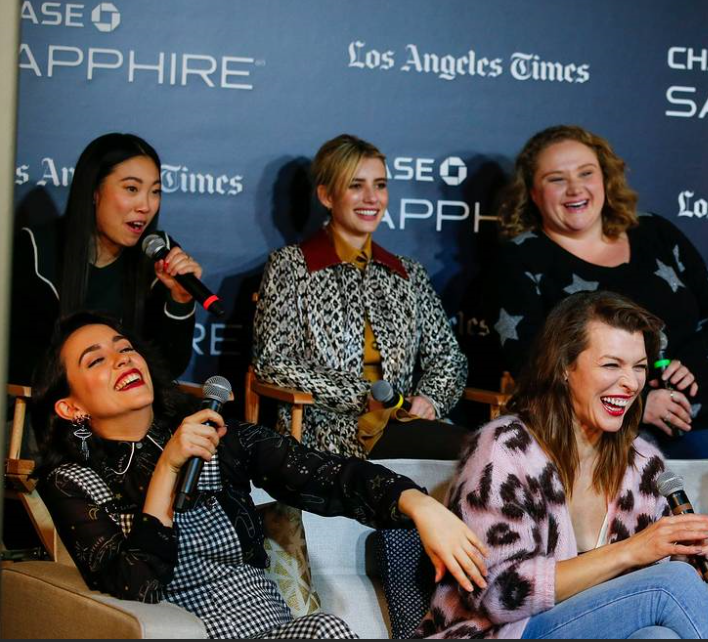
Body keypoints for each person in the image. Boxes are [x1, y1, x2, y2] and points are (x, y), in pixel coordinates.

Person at [33, 312, 489, 639]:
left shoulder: (219, 437)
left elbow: (327, 475)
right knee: (325, 630)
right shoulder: (71, 481)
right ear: (70, 407)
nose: (122, 360)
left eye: (125, 348)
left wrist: (420, 505)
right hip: (189, 632)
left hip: (276, 630)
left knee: (323, 629)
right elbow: (136, 588)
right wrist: (168, 468)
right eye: (96, 360)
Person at [417, 291, 708, 639]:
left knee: (658, 637)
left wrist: (685, 558)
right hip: (502, 633)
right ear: (565, 366)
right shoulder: (505, 450)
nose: (631, 383)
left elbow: (637, 591)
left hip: (595, 629)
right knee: (672, 584)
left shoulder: (643, 464)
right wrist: (633, 551)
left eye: (639, 367)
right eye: (611, 365)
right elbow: (496, 593)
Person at [491, 125, 708, 459]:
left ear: (605, 178)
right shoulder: (519, 257)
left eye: (586, 173)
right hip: (598, 430)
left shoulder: (656, 232)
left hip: (700, 415)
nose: (575, 188)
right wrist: (636, 404)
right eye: (556, 179)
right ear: (533, 193)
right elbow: (533, 365)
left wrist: (692, 366)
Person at [253, 134, 468, 459]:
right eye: (356, 185)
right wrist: (361, 395)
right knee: (479, 452)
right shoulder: (291, 265)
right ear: (326, 195)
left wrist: (430, 399)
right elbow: (272, 362)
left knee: (488, 450)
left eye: (380, 185)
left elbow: (448, 357)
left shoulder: (407, 273)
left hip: (403, 423)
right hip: (327, 431)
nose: (372, 198)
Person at [8, 133, 200, 386]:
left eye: (155, 191)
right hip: (58, 404)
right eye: (132, 189)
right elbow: (19, 362)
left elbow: (168, 368)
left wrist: (180, 300)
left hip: (129, 404)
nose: (146, 206)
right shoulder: (36, 249)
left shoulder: (159, 254)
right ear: (94, 191)